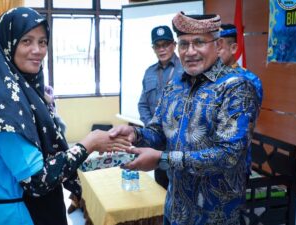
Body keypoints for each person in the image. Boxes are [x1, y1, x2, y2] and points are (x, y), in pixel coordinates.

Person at [0, 7, 130, 225]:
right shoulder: (2, 105)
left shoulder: (20, 90)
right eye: (27, 41)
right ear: (8, 43)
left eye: (43, 42)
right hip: (20, 215)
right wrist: (90, 143)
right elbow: (37, 180)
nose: (38, 50)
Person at [110, 12, 262, 225]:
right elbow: (158, 132)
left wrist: (162, 159)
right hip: (175, 208)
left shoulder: (236, 87)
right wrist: (135, 134)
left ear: (218, 45)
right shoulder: (174, 86)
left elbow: (228, 155)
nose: (190, 52)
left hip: (215, 214)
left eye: (199, 42)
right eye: (183, 44)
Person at [137, 25, 184, 190]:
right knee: (160, 185)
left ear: (174, 45)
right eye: (158, 45)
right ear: (153, 48)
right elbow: (142, 104)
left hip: (179, 143)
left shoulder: (186, 70)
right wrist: (151, 127)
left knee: (180, 186)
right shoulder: (149, 72)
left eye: (166, 44)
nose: (162, 49)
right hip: (157, 143)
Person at [219, 24, 263, 175]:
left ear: (233, 48)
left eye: (219, 46)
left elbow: (249, 124)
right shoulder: (206, 77)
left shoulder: (248, 80)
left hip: (234, 162)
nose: (214, 51)